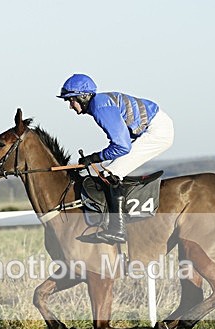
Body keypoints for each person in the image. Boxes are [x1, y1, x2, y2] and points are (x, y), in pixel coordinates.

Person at [57, 73, 174, 244]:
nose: (70, 106)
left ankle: (117, 230)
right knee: (107, 171)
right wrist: (94, 159)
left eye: (71, 100)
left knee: (111, 174)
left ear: (83, 97)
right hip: (155, 126)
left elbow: (122, 146)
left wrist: (95, 157)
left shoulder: (99, 107)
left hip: (157, 132)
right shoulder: (99, 104)